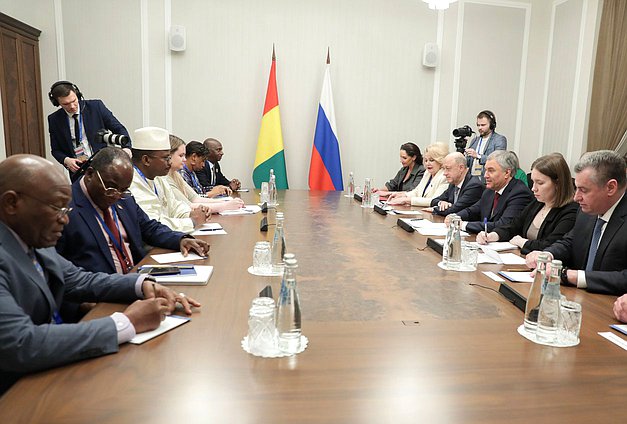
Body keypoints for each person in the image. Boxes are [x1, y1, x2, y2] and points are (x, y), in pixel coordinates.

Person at [0, 154, 199, 394]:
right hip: (17, 392)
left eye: (66, 208)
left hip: (52, 366)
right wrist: (127, 323)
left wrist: (142, 284)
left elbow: (80, 279)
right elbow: (20, 344)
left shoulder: (30, 238)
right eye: (57, 208)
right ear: (11, 203)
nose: (65, 219)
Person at [56, 147, 210, 275]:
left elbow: (150, 228)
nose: (116, 196)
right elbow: (61, 272)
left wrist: (181, 239)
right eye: (111, 188)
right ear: (89, 174)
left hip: (135, 279)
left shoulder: (125, 198)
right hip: (99, 295)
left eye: (123, 190)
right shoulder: (64, 208)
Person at [526, 150, 627, 295]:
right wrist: (549, 254)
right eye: (576, 188)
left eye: (583, 190)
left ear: (611, 187)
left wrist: (573, 276)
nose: (576, 197)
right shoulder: (587, 211)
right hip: (578, 298)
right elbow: (570, 241)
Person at [476, 153, 577, 254]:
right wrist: (493, 235)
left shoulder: (570, 211)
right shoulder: (538, 203)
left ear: (558, 183)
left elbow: (550, 245)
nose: (534, 188)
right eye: (533, 182)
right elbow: (513, 226)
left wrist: (522, 242)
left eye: (540, 183)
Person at [129, 126, 212, 232]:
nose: (169, 162)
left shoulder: (158, 177)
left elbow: (174, 206)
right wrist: (192, 221)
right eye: (165, 158)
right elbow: (153, 225)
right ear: (146, 160)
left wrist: (192, 213)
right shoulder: (131, 182)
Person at [47, 81, 131, 179]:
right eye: (66, 104)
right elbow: (56, 150)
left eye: (74, 101)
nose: (72, 106)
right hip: (79, 170)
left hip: (104, 165)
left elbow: (119, 128)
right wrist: (66, 160)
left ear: (77, 95)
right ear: (57, 103)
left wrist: (126, 148)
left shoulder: (96, 107)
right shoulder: (54, 119)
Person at [447, 150, 533, 233]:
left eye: (491, 171)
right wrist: (455, 216)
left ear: (507, 173)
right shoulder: (490, 190)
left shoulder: (519, 193)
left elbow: (503, 225)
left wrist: (464, 225)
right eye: (486, 170)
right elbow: (473, 210)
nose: (485, 175)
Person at [163, 135, 244, 213]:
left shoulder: (175, 174)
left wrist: (226, 201)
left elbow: (196, 198)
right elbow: (188, 206)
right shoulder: (167, 177)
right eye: (181, 156)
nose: (184, 160)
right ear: (168, 156)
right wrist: (225, 206)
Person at [386, 142, 449, 207]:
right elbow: (417, 191)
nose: (427, 163)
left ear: (440, 161)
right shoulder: (427, 173)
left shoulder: (444, 177)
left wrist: (407, 200)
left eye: (431, 160)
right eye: (426, 160)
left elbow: (434, 200)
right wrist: (404, 195)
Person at [423, 152, 484, 216]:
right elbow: (435, 200)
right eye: (444, 169)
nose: (445, 173)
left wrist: (435, 209)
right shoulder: (453, 183)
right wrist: (441, 203)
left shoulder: (474, 186)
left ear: (461, 168)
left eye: (448, 169)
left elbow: (455, 210)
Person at [464, 110, 507, 179]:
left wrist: (478, 156)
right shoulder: (474, 140)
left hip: (488, 179)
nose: (480, 128)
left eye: (483, 125)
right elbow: (468, 162)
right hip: (472, 179)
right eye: (478, 125)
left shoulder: (499, 139)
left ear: (492, 125)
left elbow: (498, 160)